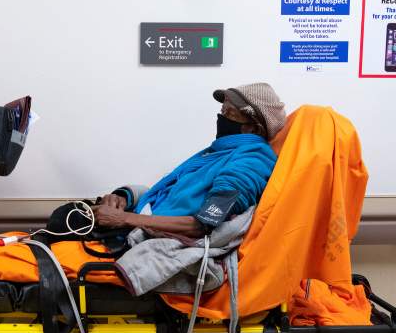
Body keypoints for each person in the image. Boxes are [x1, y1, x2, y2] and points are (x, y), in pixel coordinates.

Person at [88, 83, 286, 237]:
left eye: (230, 114)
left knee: (62, 225)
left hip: (156, 238)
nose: (221, 118)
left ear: (253, 128)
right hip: (141, 222)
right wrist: (124, 199)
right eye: (222, 111)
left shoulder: (252, 161)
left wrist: (125, 219)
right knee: (68, 217)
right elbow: (171, 192)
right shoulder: (217, 152)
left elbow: (204, 224)